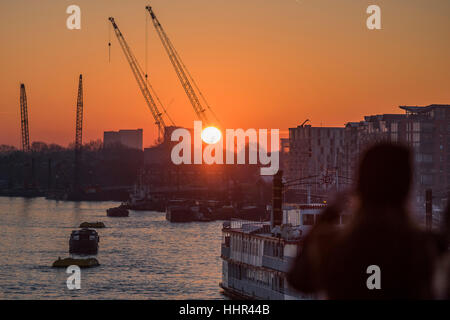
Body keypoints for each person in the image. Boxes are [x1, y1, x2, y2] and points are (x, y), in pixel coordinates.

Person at [288, 142, 440, 299]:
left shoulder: (331, 244)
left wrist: (328, 215)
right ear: (407, 189)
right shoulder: (422, 247)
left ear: (360, 186)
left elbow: (299, 280)